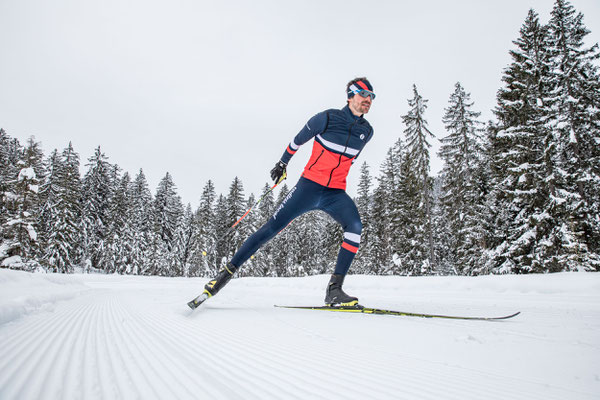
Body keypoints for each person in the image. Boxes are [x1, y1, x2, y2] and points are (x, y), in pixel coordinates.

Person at [202, 77, 375, 307]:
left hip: (335, 193)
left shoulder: (367, 132)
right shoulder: (327, 118)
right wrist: (282, 164)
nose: (368, 100)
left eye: (372, 96)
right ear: (351, 95)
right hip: (309, 187)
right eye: (364, 94)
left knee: (354, 228)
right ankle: (222, 278)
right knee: (271, 228)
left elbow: (350, 160)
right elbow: (297, 140)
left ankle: (334, 290)